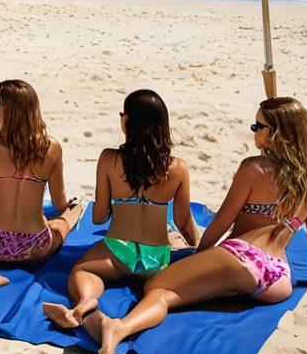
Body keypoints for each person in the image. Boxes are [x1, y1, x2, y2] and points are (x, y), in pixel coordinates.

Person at [83, 96, 307, 354]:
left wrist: (198, 256)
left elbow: (221, 223)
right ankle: (228, 289)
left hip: (242, 257)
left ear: (276, 134)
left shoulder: (253, 168)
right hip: (278, 279)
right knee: (214, 281)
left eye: (258, 127)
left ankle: (120, 327)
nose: (254, 132)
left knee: (157, 287)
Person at [43, 89, 199, 328]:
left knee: (83, 271)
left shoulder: (109, 159)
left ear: (127, 120)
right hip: (157, 258)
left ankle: (85, 302)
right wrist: (198, 248)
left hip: (118, 252)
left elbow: (98, 217)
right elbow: (182, 220)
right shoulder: (178, 168)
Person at [0, 79, 83, 298]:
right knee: (65, 219)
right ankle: (78, 211)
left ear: (8, 111)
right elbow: (59, 203)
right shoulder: (51, 148)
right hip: (35, 246)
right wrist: (69, 210)